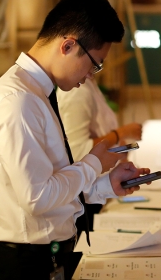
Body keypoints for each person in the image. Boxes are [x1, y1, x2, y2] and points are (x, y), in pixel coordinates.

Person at [0, 0, 150, 279]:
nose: (91, 76)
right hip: (25, 261)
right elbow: (37, 197)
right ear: (67, 46)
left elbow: (51, 180)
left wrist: (104, 185)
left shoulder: (38, 92)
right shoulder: (18, 101)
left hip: (45, 254)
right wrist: (92, 164)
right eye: (94, 64)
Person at [57, 78, 143, 230]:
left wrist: (119, 147)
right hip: (84, 189)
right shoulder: (77, 91)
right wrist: (121, 133)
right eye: (98, 62)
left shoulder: (88, 83)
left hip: (93, 187)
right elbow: (76, 150)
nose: (96, 68)